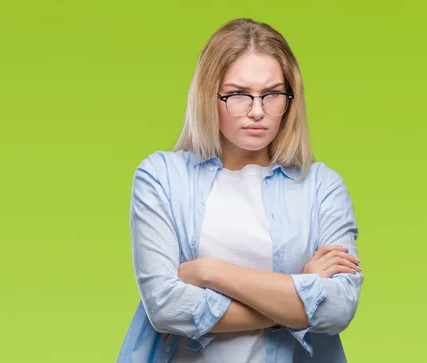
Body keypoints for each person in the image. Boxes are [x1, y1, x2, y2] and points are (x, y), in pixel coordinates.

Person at [116, 18, 363, 363]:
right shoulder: (161, 178)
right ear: (208, 96)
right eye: (238, 95)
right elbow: (165, 306)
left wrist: (209, 272)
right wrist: (298, 293)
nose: (258, 111)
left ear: (290, 99)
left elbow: (337, 309)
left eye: (272, 94)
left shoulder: (321, 186)